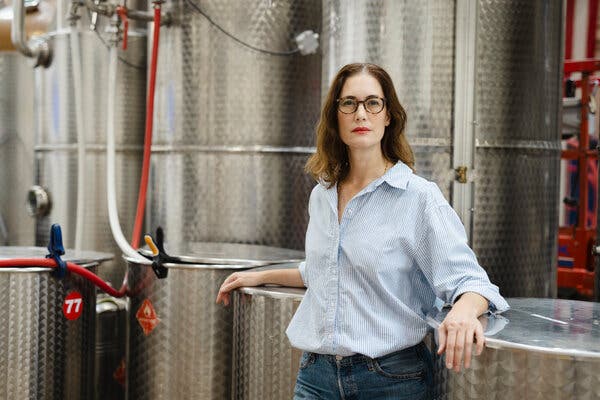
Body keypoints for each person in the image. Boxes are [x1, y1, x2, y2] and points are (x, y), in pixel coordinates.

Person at [216, 63, 509, 400]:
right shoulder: (323, 194)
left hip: (390, 380)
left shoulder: (417, 198)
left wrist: (462, 311)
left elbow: (472, 282)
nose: (361, 114)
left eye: (373, 103)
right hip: (316, 377)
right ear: (335, 117)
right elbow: (328, 271)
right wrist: (257, 276)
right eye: (349, 103)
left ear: (388, 116)